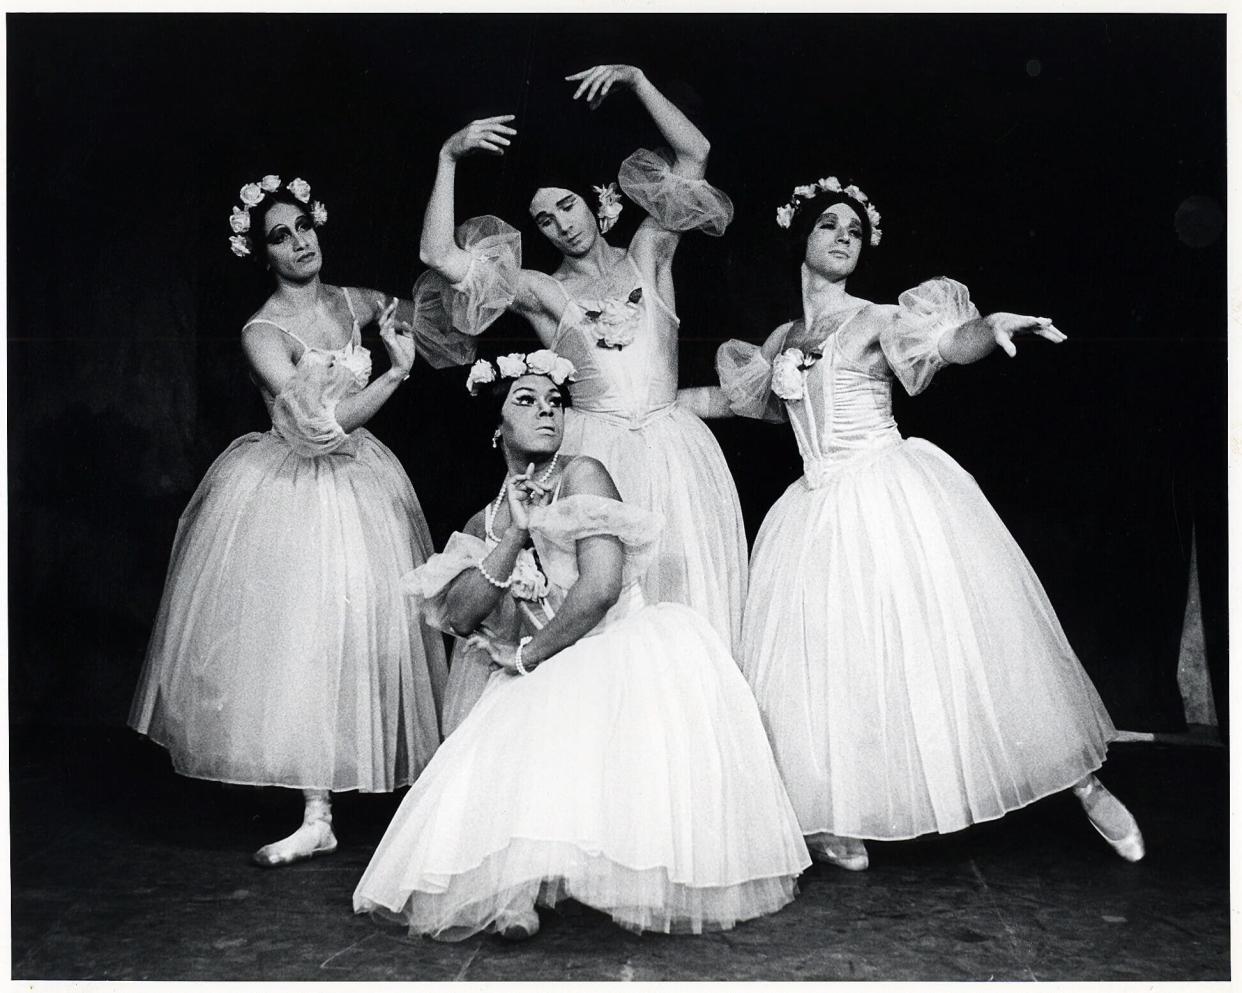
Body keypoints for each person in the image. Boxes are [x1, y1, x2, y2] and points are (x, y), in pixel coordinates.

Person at [680, 176, 1144, 870]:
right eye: (830, 225)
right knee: (832, 663)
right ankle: (836, 810)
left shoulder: (874, 318)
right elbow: (743, 401)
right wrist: (649, 405)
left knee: (966, 643)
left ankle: (1085, 784)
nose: (843, 237)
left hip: (886, 490)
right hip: (814, 508)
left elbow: (947, 340)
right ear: (801, 238)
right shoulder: (783, 337)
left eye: (855, 231)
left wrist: (991, 328)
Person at [352, 351, 809, 941]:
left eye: (555, 402)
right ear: (497, 427)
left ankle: (580, 876)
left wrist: (529, 655)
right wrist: (514, 533)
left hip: (613, 640)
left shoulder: (582, 473)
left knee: (545, 697)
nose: (547, 411)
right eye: (526, 401)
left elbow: (600, 587)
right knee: (506, 715)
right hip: (543, 655)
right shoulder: (481, 521)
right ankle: (516, 887)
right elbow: (461, 618)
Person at [129, 174, 449, 867]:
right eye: (280, 235)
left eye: (303, 226)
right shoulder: (263, 332)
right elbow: (318, 425)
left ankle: (412, 800)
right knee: (305, 636)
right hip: (295, 484)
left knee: (372, 631)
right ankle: (316, 810)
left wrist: (417, 329)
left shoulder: (352, 299)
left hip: (363, 483)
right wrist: (394, 376)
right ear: (261, 253)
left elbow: (422, 313)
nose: (299, 241)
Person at [413, 64, 747, 670]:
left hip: (677, 455)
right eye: (544, 219)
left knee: (690, 613)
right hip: (600, 461)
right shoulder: (544, 290)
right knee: (610, 625)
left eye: (567, 206)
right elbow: (438, 255)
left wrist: (639, 80)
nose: (562, 225)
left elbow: (694, 154)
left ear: (595, 200)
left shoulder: (649, 251)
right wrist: (448, 156)